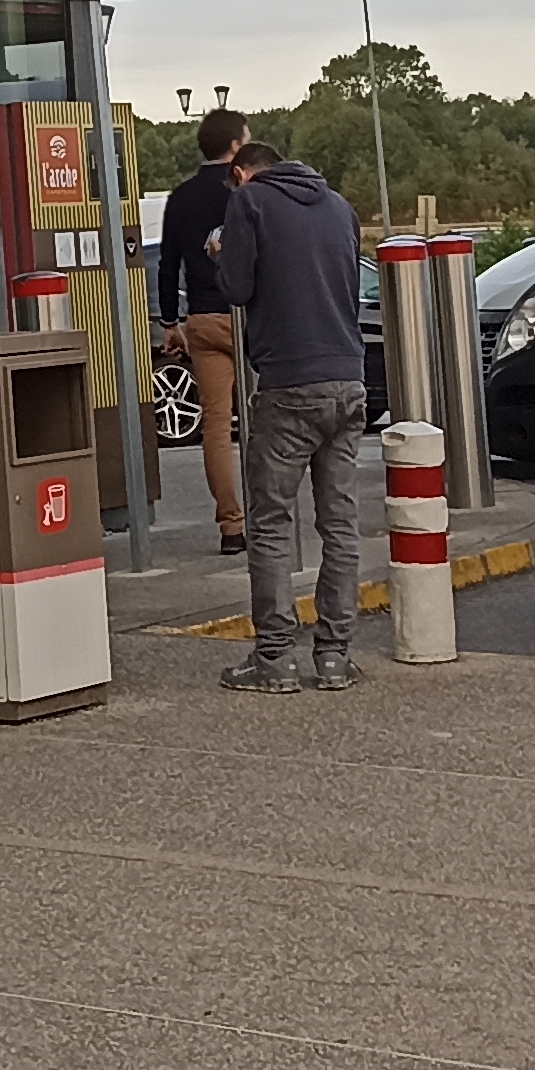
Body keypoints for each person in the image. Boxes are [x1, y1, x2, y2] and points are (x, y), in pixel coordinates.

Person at [212, 122, 368, 690]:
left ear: (241, 173)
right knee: (340, 524)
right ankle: (334, 656)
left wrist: (221, 251)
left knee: (273, 523)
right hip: (347, 380)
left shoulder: (249, 202)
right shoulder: (341, 207)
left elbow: (236, 287)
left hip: (288, 386)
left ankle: (275, 660)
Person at [151, 106, 250, 554]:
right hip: (249, 317)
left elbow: (167, 265)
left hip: (204, 320)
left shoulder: (181, 197)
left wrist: (170, 323)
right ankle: (269, 517)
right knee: (266, 419)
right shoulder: (247, 191)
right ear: (235, 146)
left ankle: (231, 527)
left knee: (216, 426)